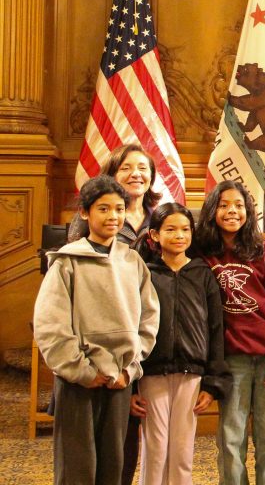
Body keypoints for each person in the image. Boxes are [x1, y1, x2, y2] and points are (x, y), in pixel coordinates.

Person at [33, 175, 160, 484]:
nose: (113, 216)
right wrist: (81, 370)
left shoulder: (133, 261)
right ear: (86, 213)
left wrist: (129, 370)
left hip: (119, 380)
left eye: (119, 209)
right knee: (78, 465)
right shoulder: (66, 263)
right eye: (104, 209)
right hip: (80, 380)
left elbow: (149, 320)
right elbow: (51, 325)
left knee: (113, 465)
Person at [68, 143, 164, 484]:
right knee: (90, 445)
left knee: (129, 434)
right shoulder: (93, 221)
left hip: (149, 333)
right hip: (103, 335)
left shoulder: (164, 217)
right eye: (127, 167)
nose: (136, 174)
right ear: (112, 171)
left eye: (143, 168)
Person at [195, 181, 265, 485]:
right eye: (224, 205)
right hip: (230, 361)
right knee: (230, 439)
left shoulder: (262, 250)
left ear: (249, 212)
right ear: (213, 210)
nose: (232, 211)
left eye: (239, 205)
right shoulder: (203, 253)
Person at [130, 203, 232, 485]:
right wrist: (130, 385)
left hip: (192, 373)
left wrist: (213, 383)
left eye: (185, 229)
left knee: (182, 449)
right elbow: (132, 327)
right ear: (154, 235)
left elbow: (215, 330)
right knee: (155, 447)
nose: (179, 235)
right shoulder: (145, 274)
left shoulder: (203, 273)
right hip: (152, 372)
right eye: (171, 229)